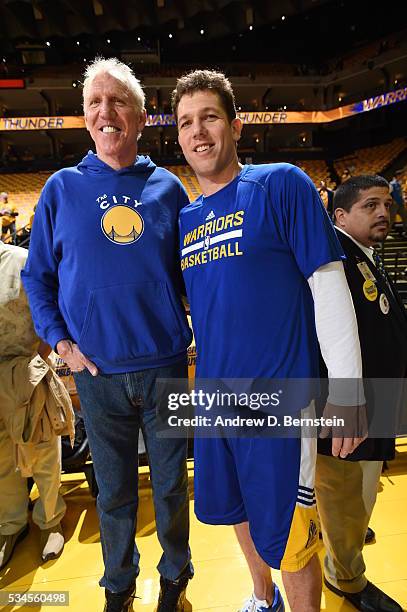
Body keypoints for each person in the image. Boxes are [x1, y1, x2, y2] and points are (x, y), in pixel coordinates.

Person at [171, 70, 367, 612]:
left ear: (236, 124)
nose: (198, 132)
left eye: (209, 116)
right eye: (186, 123)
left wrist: (348, 391)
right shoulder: (187, 219)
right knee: (234, 507)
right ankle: (263, 599)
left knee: (292, 535)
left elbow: (329, 288)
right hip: (216, 400)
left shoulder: (281, 183)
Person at [22, 57, 193, 612]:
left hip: (165, 364)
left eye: (118, 100)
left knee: (170, 486)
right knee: (113, 493)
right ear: (85, 118)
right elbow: (38, 277)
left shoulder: (167, 187)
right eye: (95, 102)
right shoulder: (61, 189)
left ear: (141, 117)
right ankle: (118, 585)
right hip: (96, 375)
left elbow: (194, 273)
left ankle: (175, 577)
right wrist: (62, 344)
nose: (105, 111)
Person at [316, 175, 406, 612]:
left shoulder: (361, 254)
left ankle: (345, 548)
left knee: (358, 495)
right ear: (340, 216)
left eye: (387, 205)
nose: (384, 213)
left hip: (377, 401)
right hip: (352, 406)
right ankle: (346, 579)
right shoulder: (335, 258)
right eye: (371, 206)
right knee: (346, 493)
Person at [0, 241, 71, 570]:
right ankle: (10, 524)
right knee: (1, 457)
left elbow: (53, 309)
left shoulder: (22, 261)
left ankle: (51, 520)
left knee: (43, 448)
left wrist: (37, 363)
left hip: (28, 371)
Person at [389, 169, 407, 236]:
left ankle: (406, 231)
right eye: (402, 175)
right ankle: (386, 232)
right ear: (398, 176)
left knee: (405, 217)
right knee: (391, 219)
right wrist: (392, 201)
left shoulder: (399, 184)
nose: (403, 176)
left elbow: (400, 194)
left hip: (400, 204)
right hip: (394, 205)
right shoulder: (391, 184)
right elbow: (388, 194)